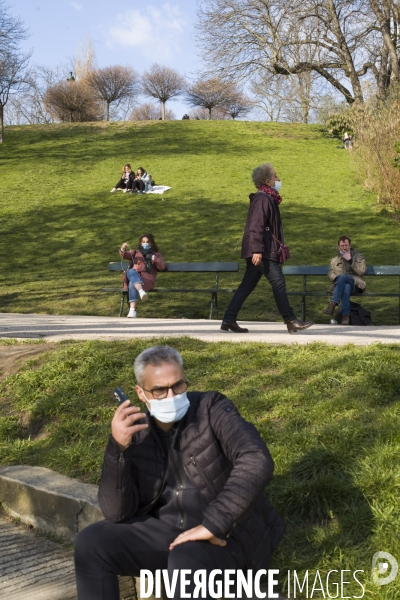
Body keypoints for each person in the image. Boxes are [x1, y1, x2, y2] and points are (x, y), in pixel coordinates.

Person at [74, 345, 285, 600]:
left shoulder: (211, 407)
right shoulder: (137, 431)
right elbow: (116, 512)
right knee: (91, 542)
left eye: (178, 385)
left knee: (185, 562)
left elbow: (256, 458)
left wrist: (215, 523)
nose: (171, 395)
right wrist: (118, 448)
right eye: (160, 390)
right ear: (141, 393)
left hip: (225, 534)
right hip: (169, 534)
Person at [221, 162, 314, 334]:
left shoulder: (266, 198)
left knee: (246, 286)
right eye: (276, 176)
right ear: (268, 181)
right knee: (278, 282)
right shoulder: (263, 198)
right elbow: (256, 226)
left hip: (261, 250)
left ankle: (229, 319)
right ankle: (290, 320)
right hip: (263, 252)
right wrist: (257, 250)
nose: (279, 179)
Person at [119, 233, 166, 318]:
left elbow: (162, 267)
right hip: (134, 276)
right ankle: (141, 292)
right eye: (143, 241)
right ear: (140, 243)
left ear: (151, 243)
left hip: (147, 280)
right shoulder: (135, 253)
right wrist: (123, 248)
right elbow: (124, 254)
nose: (145, 243)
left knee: (132, 283)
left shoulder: (156, 255)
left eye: (147, 242)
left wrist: (153, 258)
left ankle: (132, 311)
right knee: (131, 272)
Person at [323, 236, 366, 325]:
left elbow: (361, 271)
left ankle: (333, 304)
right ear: (339, 247)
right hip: (342, 286)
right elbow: (330, 274)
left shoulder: (358, 256)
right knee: (346, 286)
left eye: (346, 245)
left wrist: (350, 260)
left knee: (343, 278)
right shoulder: (335, 260)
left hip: (356, 284)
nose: (344, 248)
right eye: (342, 246)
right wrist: (338, 278)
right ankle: (346, 316)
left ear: (350, 246)